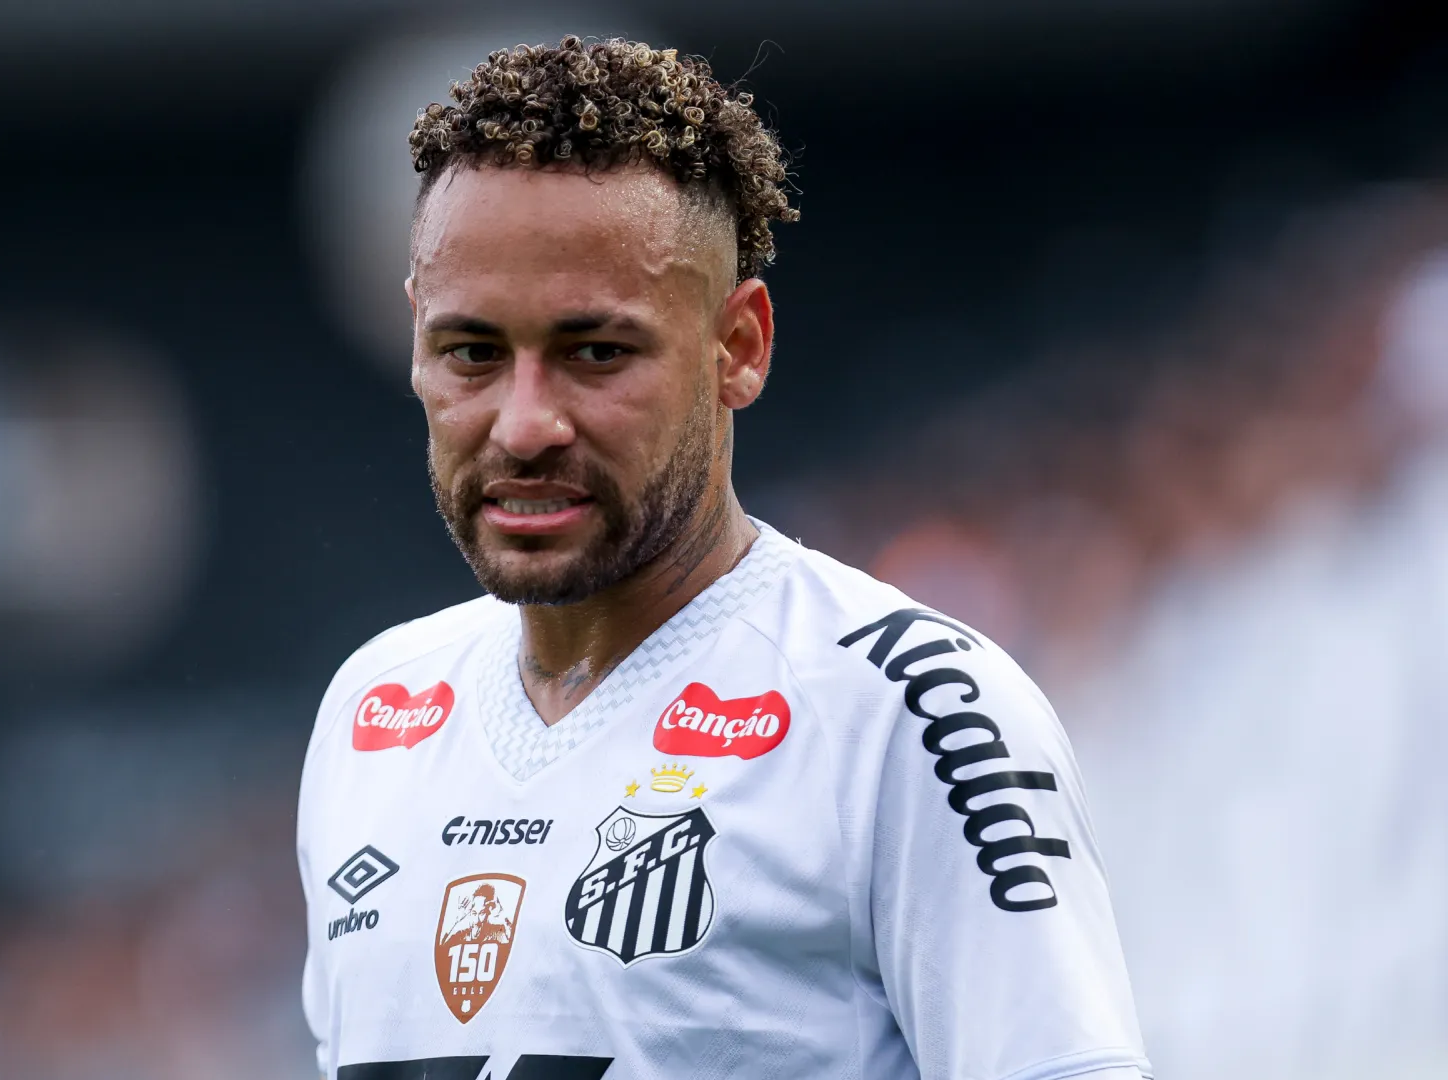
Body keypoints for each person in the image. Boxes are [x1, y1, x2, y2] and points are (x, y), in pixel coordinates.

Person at [296, 36, 1150, 1079]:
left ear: (738, 347)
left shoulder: (910, 715)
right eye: (472, 352)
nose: (523, 425)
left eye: (596, 352)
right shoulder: (374, 710)